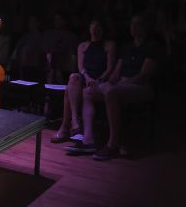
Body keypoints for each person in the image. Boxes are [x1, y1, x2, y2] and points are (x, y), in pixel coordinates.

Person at [65, 13, 164, 160]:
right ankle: (88, 139)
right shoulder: (127, 47)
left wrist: (120, 84)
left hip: (142, 86)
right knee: (87, 92)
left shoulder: (152, 46)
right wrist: (104, 83)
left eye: (137, 24)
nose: (133, 27)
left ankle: (113, 144)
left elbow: (144, 75)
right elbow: (115, 73)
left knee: (112, 92)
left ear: (145, 27)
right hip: (121, 84)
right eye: (132, 24)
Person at [50, 18, 116, 143]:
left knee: (69, 90)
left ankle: (65, 128)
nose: (95, 29)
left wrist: (99, 80)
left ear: (102, 29)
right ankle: (74, 120)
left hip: (100, 80)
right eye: (92, 25)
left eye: (98, 26)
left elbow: (110, 68)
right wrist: (87, 78)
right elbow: (81, 67)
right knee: (73, 78)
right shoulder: (83, 46)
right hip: (86, 78)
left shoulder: (109, 45)